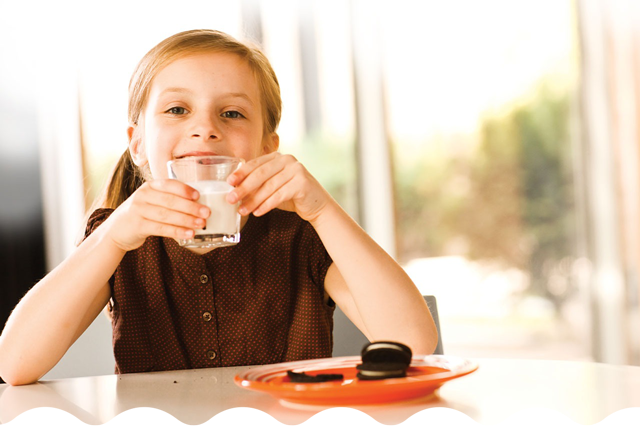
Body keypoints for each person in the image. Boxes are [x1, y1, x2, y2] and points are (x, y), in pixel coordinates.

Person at [0, 29, 438, 386]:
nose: (205, 129)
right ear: (138, 144)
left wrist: (322, 211)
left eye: (232, 113)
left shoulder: (301, 234)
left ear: (267, 147)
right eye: (177, 109)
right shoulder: (117, 237)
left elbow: (414, 343)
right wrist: (112, 237)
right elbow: (15, 364)